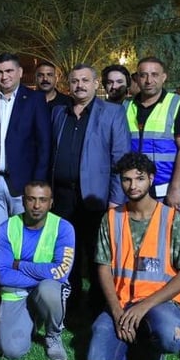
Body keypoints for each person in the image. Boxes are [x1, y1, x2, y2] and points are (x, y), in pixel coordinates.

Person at [86, 153, 180, 360]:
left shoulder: (173, 219)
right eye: (126, 179)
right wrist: (116, 311)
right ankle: (132, 341)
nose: (132, 185)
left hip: (160, 303)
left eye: (139, 179)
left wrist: (144, 307)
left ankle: (152, 349)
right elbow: (103, 267)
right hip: (121, 302)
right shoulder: (111, 218)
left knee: (171, 336)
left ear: (152, 179)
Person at [50, 63, 130, 318]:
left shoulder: (112, 113)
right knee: (65, 253)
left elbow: (121, 159)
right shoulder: (59, 113)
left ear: (96, 84)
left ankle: (97, 306)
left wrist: (116, 201)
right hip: (62, 198)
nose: (80, 85)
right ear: (69, 85)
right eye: (75, 81)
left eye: (85, 80)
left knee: (97, 255)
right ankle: (69, 303)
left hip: (95, 200)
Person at [0, 53, 52, 231]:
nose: (4, 76)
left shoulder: (35, 100)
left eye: (9, 71)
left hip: (24, 184)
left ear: (20, 72)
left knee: (24, 234)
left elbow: (44, 145)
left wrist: (38, 183)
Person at [0, 180, 76, 360]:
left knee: (49, 289)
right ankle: (32, 318)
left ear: (51, 203)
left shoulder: (64, 228)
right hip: (15, 293)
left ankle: (53, 335)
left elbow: (61, 272)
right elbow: (3, 275)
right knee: (12, 351)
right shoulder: (6, 228)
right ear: (23, 201)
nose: (37, 205)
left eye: (42, 200)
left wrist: (20, 265)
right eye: (31, 199)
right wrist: (42, 275)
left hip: (45, 289)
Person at [123, 56, 180, 207]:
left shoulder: (177, 105)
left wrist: (175, 188)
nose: (149, 80)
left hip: (165, 192)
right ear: (137, 78)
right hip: (133, 190)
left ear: (164, 77)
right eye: (143, 75)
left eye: (155, 75)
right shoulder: (126, 107)